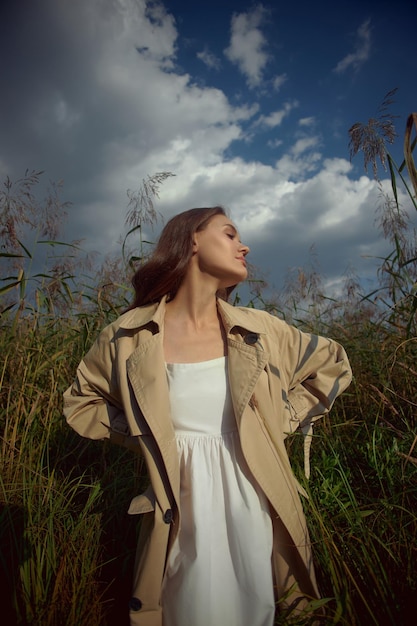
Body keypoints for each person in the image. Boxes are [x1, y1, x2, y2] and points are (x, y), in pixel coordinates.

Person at [63, 206, 352, 626]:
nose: (244, 245)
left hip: (258, 504)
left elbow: (332, 365)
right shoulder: (128, 335)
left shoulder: (261, 329)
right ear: (192, 241)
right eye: (231, 234)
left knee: (270, 607)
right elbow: (81, 400)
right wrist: (143, 433)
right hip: (177, 512)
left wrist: (277, 419)